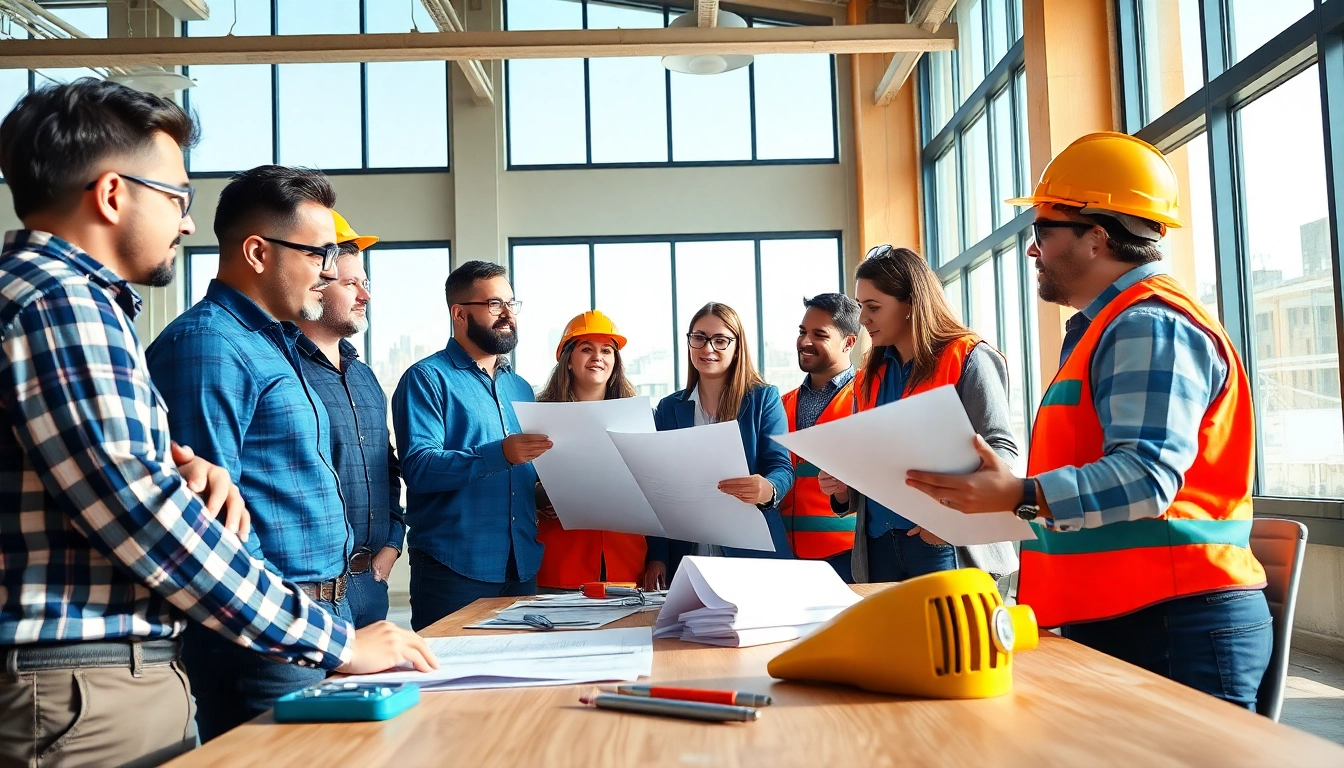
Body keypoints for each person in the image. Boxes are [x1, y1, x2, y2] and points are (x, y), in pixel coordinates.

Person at [0, 80, 433, 767]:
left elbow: (107, 484)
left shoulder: (52, 301)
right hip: (85, 675)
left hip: (103, 669)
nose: (187, 223)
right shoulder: (63, 305)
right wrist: (334, 641)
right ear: (113, 195)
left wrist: (171, 468)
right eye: (177, 197)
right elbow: (146, 520)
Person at [904, 132, 1272, 710]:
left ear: (1096, 237)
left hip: (1173, 623)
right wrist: (1014, 493)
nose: (1033, 250)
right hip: (1133, 615)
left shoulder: (1149, 325)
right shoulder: (1109, 329)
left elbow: (1148, 479)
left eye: (1042, 232)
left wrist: (1019, 492)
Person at [145, 166, 365, 741]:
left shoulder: (278, 343)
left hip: (314, 622)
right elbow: (214, 528)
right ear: (258, 252)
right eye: (320, 254)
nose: (330, 271)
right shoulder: (209, 346)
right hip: (266, 641)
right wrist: (305, 633)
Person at [821, 246, 1019, 584]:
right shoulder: (869, 375)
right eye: (860, 307)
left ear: (912, 304)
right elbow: (869, 461)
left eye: (873, 307)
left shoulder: (970, 356)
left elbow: (1002, 450)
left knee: (952, 639)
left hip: (943, 543)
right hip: (878, 545)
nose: (863, 319)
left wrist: (947, 519)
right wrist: (843, 487)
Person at [393, 260, 552, 630]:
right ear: (460, 313)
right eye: (495, 304)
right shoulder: (426, 379)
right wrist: (502, 453)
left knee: (521, 682)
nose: (508, 314)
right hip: (455, 569)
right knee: (452, 682)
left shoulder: (521, 387)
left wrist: (547, 495)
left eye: (512, 304)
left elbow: (520, 475)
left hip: (522, 564)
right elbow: (418, 468)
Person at [295, 211, 406, 627]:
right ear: (318, 285)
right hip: (311, 594)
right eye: (351, 284)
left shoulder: (364, 377)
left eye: (366, 283)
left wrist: (393, 542)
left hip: (370, 584)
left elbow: (386, 466)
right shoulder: (283, 370)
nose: (365, 296)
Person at [641, 302, 794, 590]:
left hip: (752, 550)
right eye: (698, 338)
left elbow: (781, 467)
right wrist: (658, 556)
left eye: (720, 340)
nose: (707, 348)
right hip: (687, 551)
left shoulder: (763, 399)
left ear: (737, 346)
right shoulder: (669, 408)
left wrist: (768, 489)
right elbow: (655, 487)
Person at [533, 310, 648, 590]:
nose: (598, 357)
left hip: (627, 560)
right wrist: (538, 495)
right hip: (560, 559)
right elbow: (520, 479)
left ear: (615, 362)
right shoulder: (538, 417)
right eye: (587, 349)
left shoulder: (638, 418)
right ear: (568, 360)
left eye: (606, 350)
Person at [778, 293, 860, 583]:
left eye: (819, 334)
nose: (805, 341)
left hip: (847, 558)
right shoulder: (781, 404)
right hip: (786, 559)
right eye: (802, 332)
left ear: (849, 342)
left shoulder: (869, 397)